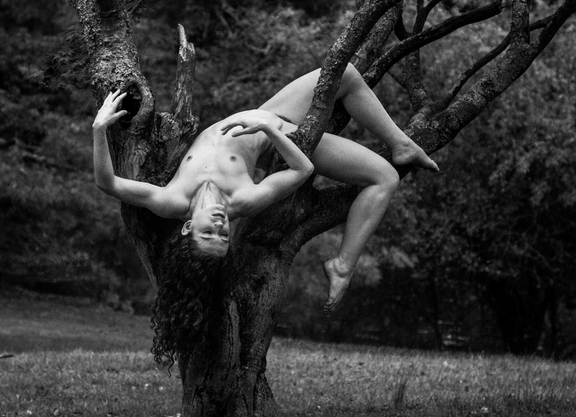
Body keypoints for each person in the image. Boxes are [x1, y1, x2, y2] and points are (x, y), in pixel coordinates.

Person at [93, 64, 438, 314]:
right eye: (223, 236)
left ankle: (401, 144)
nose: (220, 226)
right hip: (279, 136)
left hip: (264, 115)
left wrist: (98, 129)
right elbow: (303, 169)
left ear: (187, 228)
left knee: (345, 72)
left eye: (208, 233)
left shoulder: (171, 201)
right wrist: (271, 130)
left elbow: (108, 183)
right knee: (386, 178)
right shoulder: (243, 199)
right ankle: (343, 266)